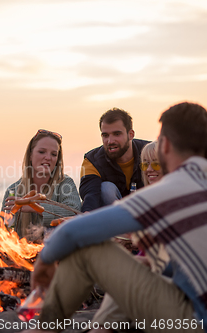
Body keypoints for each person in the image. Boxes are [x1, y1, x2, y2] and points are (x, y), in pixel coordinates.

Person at [28, 102, 207, 333]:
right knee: (136, 270)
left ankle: (42, 329)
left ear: (165, 146)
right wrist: (152, 262)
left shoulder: (177, 187)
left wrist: (44, 260)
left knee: (88, 251)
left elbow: (71, 233)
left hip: (193, 321)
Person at [90, 140, 168, 333]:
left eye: (156, 164)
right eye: (145, 164)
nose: (149, 169)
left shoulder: (169, 200)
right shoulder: (149, 199)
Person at [1, 129, 81, 240]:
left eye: (53, 154)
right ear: (30, 155)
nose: (48, 157)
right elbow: (3, 230)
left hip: (57, 249)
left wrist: (34, 207)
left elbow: (75, 213)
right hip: (24, 253)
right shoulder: (13, 190)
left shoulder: (65, 183)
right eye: (42, 152)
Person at [80, 108, 150, 212]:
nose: (110, 141)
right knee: (106, 189)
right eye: (105, 135)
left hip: (149, 212)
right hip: (113, 217)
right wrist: (85, 215)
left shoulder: (151, 152)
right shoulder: (91, 160)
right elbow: (91, 195)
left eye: (117, 134)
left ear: (131, 134)